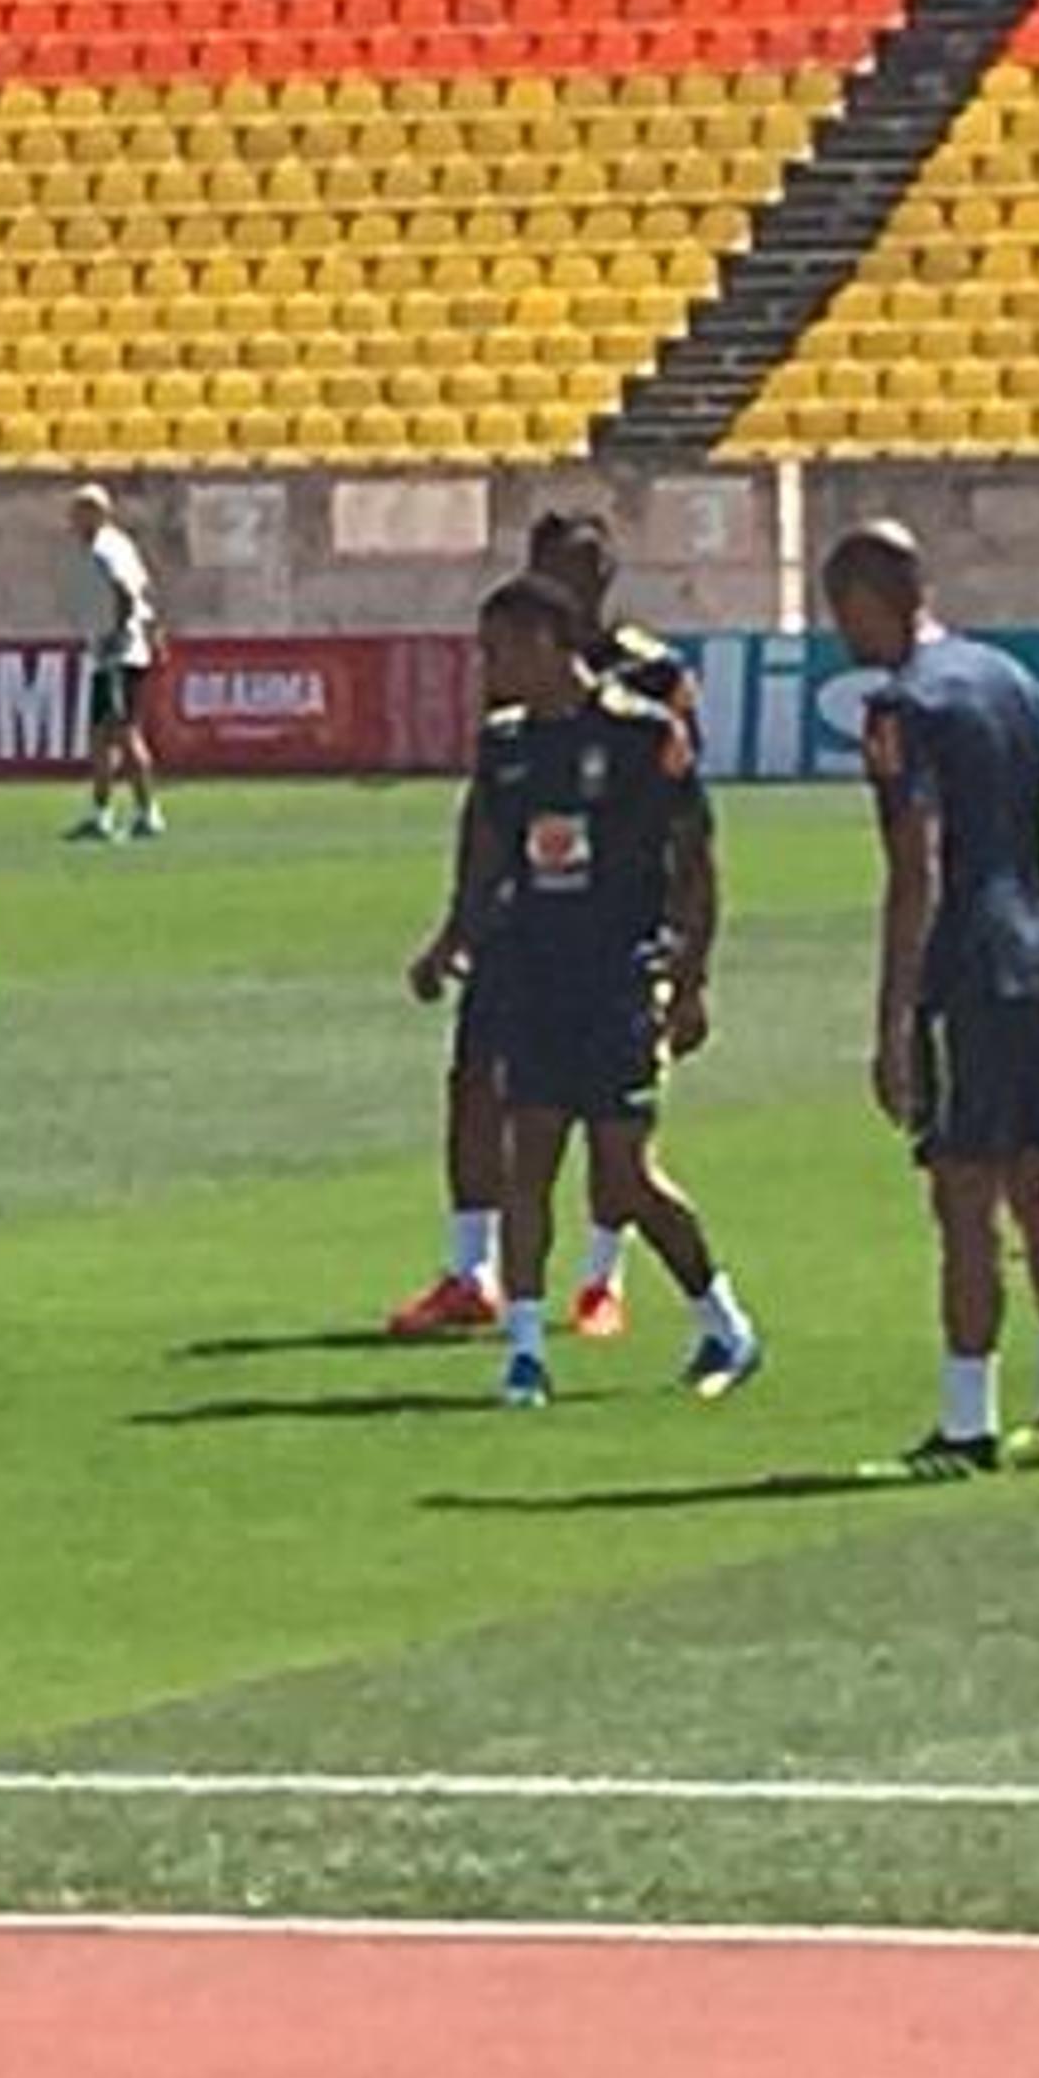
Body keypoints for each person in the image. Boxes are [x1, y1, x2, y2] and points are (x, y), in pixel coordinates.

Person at [410, 574, 759, 1411]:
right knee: (527, 1155)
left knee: (625, 1174)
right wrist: (450, 941)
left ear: (543, 641)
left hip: (619, 978)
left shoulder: (644, 735)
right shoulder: (506, 746)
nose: (488, 667)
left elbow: (696, 858)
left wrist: (693, 974)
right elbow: (488, 855)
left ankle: (725, 1321)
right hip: (535, 974)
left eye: (498, 649)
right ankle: (526, 1353)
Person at [387, 510, 710, 1342]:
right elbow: (489, 809)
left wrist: (686, 952)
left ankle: (603, 1277)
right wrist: (455, 926)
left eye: (573, 567)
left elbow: (686, 827)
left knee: (612, 1126)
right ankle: (472, 1271)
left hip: (614, 939)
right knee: (480, 1087)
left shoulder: (654, 676)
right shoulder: (516, 672)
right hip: (520, 929)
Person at [822, 522, 1039, 1477]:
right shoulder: (1012, 681)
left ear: (871, 596)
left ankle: (966, 1421)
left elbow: (917, 864)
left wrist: (896, 1015)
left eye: (839, 608)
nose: (838, 632)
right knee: (1034, 1175)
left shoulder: (903, 706)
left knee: (963, 1189)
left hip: (971, 960)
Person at [65, 483, 165, 842]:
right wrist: (153, 631)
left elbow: (124, 592)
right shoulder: (116, 545)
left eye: (81, 511)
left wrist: (114, 634)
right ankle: (102, 814)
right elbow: (144, 590)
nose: (73, 519)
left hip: (118, 654)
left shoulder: (105, 550)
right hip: (119, 651)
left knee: (123, 733)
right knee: (101, 738)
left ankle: (147, 812)